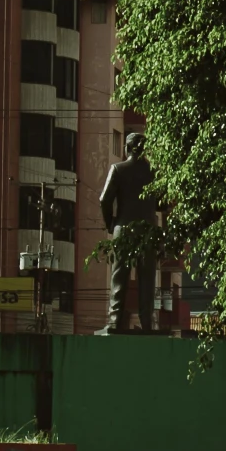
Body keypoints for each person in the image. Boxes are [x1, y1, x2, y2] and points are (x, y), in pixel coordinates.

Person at [98, 132, 159, 334]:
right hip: (148, 230)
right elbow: (164, 203)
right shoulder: (154, 171)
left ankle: (115, 320)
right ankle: (147, 323)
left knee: (119, 275)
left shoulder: (118, 169)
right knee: (147, 277)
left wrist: (111, 223)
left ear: (127, 148)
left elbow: (104, 200)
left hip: (123, 227)